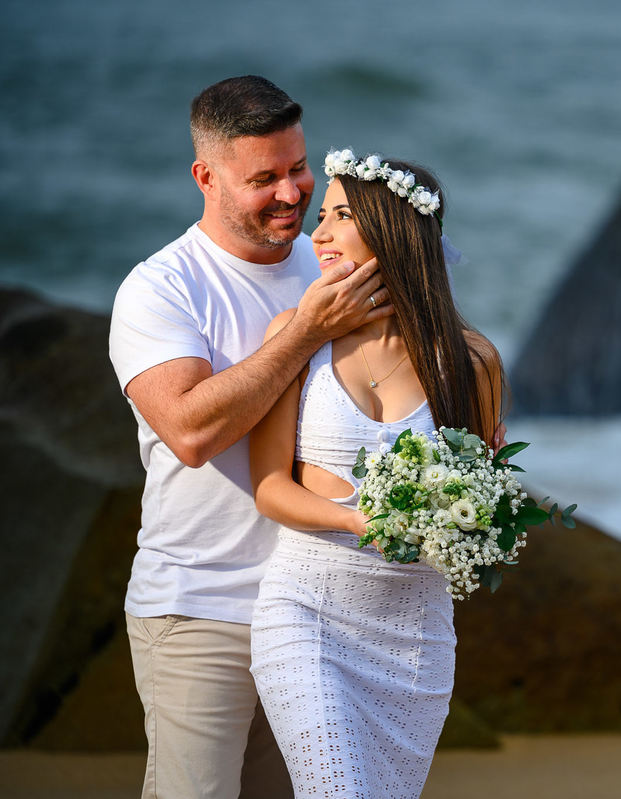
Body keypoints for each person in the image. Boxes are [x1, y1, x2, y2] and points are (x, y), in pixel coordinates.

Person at [109, 76, 392, 799]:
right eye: (263, 178)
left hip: (318, 607)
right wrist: (304, 331)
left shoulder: (331, 259)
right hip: (201, 604)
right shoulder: (162, 288)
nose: (292, 193)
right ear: (206, 176)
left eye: (298, 167)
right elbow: (192, 431)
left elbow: (407, 366)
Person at [247, 151, 505, 797]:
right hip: (306, 614)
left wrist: (482, 498)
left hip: (413, 639)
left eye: (339, 215)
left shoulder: (471, 363)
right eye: (323, 215)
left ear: (389, 227)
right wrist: (354, 518)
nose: (318, 233)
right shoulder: (297, 337)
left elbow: (477, 521)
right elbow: (270, 486)